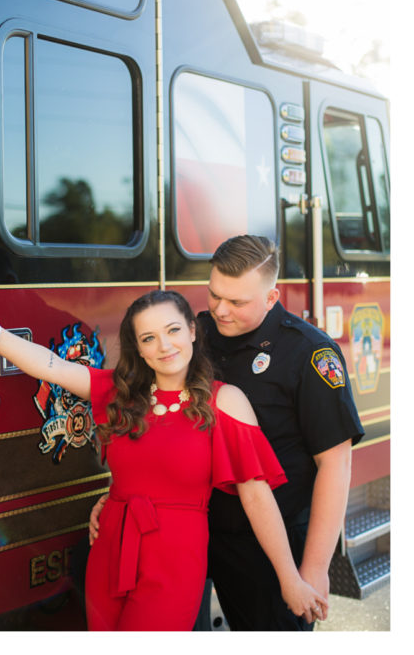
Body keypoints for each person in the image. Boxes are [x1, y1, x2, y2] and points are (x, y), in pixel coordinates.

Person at [0, 290, 327, 631]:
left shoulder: (224, 402)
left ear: (193, 332)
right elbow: (51, 365)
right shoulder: (120, 394)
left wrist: (290, 578)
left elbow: (256, 497)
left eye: (173, 330)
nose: (165, 346)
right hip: (112, 544)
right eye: (149, 338)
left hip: (176, 557)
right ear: (140, 349)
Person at [89, 235, 364, 630]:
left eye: (237, 302)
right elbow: (155, 415)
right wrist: (122, 496)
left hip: (267, 542)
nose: (220, 309)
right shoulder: (194, 332)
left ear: (272, 298)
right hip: (185, 535)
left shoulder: (308, 354)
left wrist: (315, 568)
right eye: (214, 294)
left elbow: (335, 465)